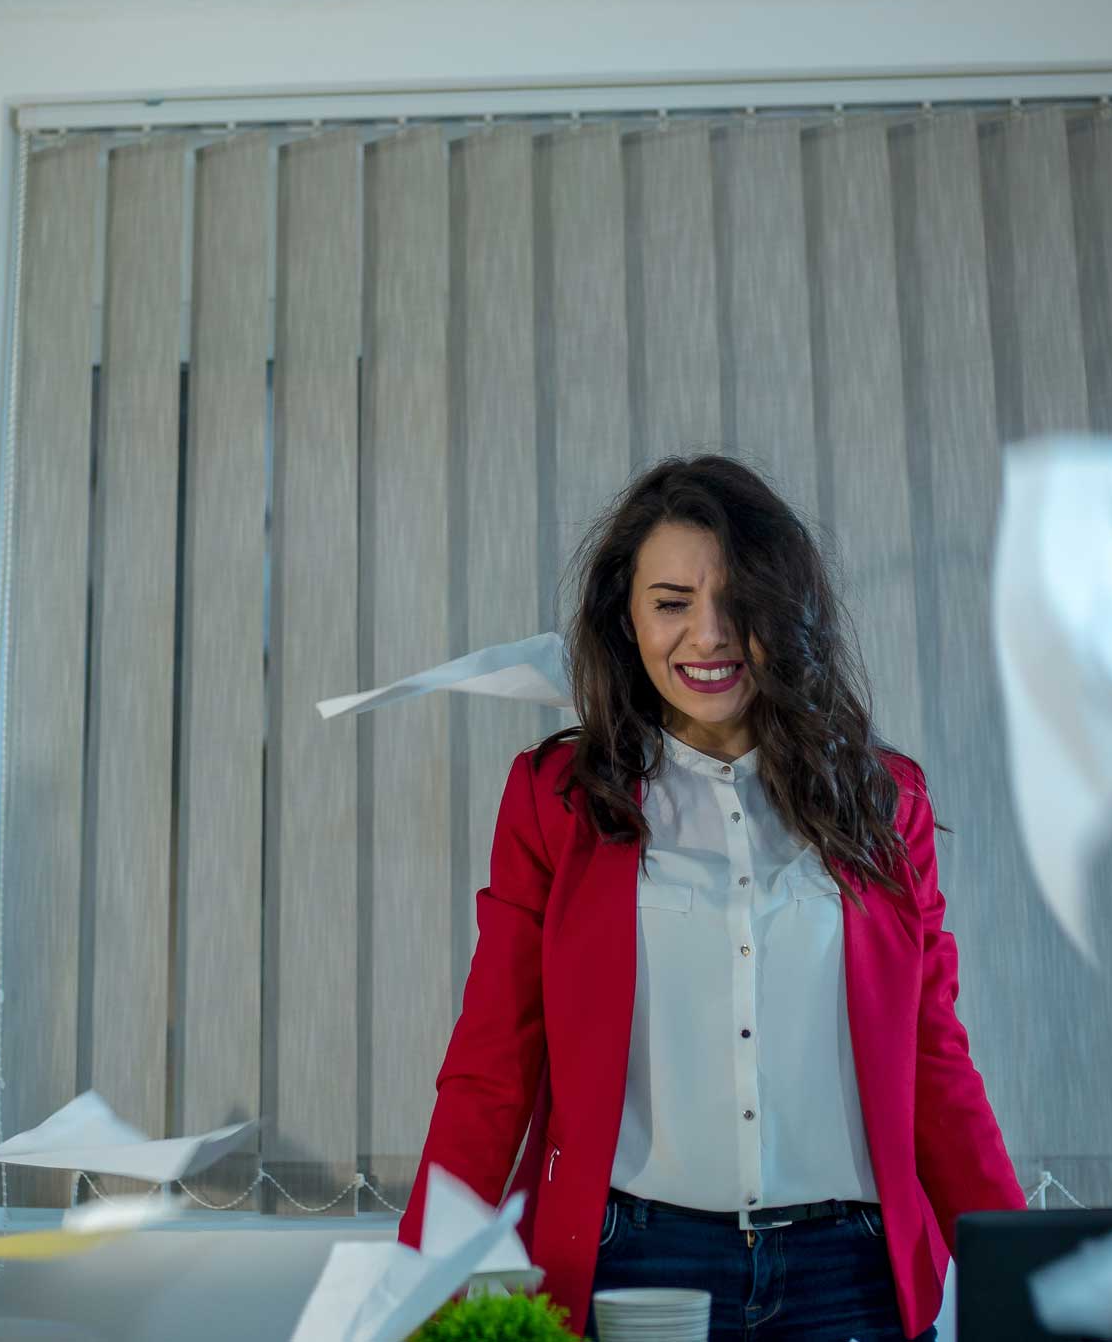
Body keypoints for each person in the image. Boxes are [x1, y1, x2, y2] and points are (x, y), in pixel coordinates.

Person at [397, 455, 1024, 1340]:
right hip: (637, 1271)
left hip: (852, 1275)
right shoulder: (556, 801)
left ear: (785, 611)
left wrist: (1038, 1282)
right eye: (671, 602)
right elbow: (492, 1064)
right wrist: (423, 1291)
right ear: (627, 618)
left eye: (738, 601)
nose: (709, 635)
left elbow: (933, 1058)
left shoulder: (887, 801)